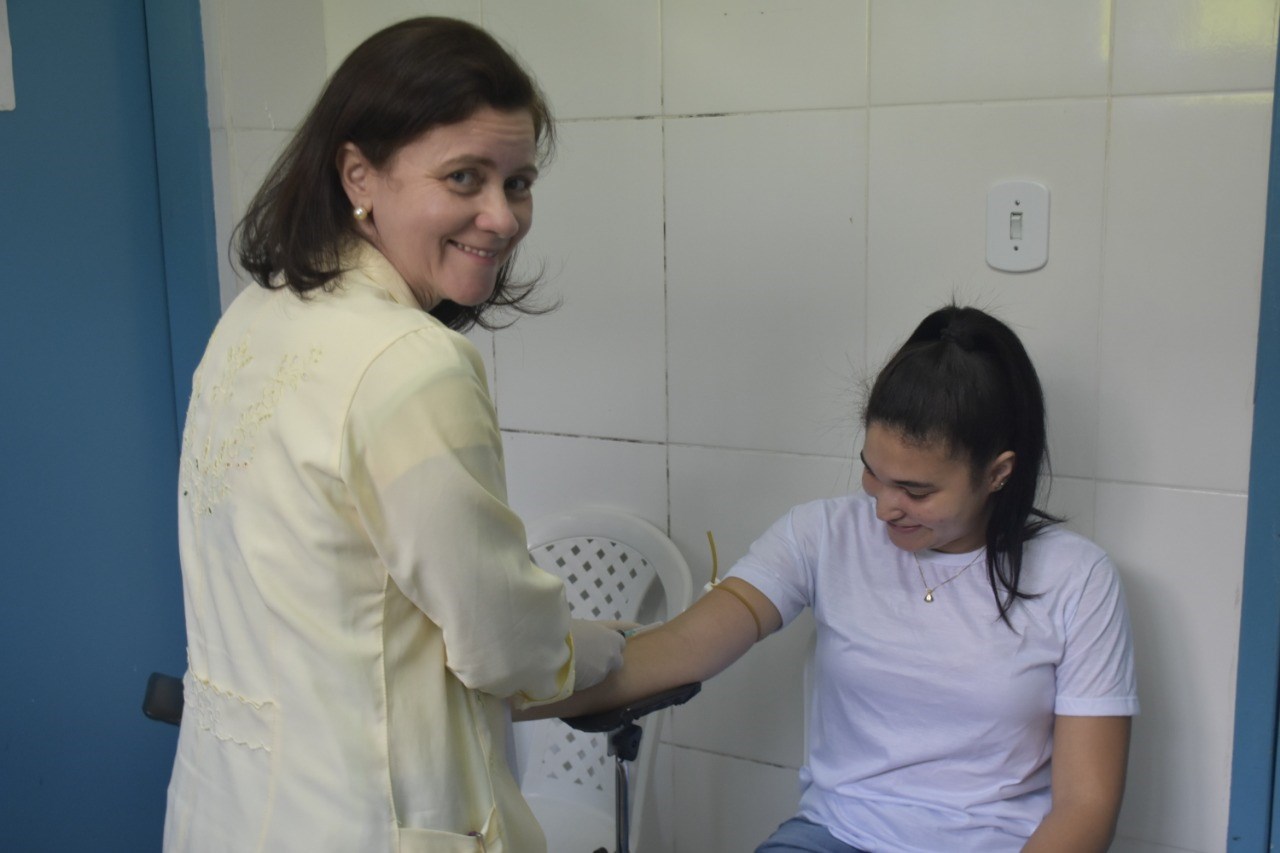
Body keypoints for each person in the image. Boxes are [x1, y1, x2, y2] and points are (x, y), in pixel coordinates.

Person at [163, 18, 626, 853]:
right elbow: (499, 642)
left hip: (232, 811)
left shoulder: (256, 316)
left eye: (518, 182)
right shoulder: (411, 362)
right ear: (357, 173)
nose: (503, 216)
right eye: (464, 177)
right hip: (373, 819)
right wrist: (585, 650)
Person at [531, 305, 1139, 852]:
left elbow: (1086, 806)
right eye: (873, 474)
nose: (883, 507)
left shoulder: (1077, 580)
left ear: (999, 473)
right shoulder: (820, 536)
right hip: (835, 837)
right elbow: (681, 650)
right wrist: (497, 693)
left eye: (917, 490)